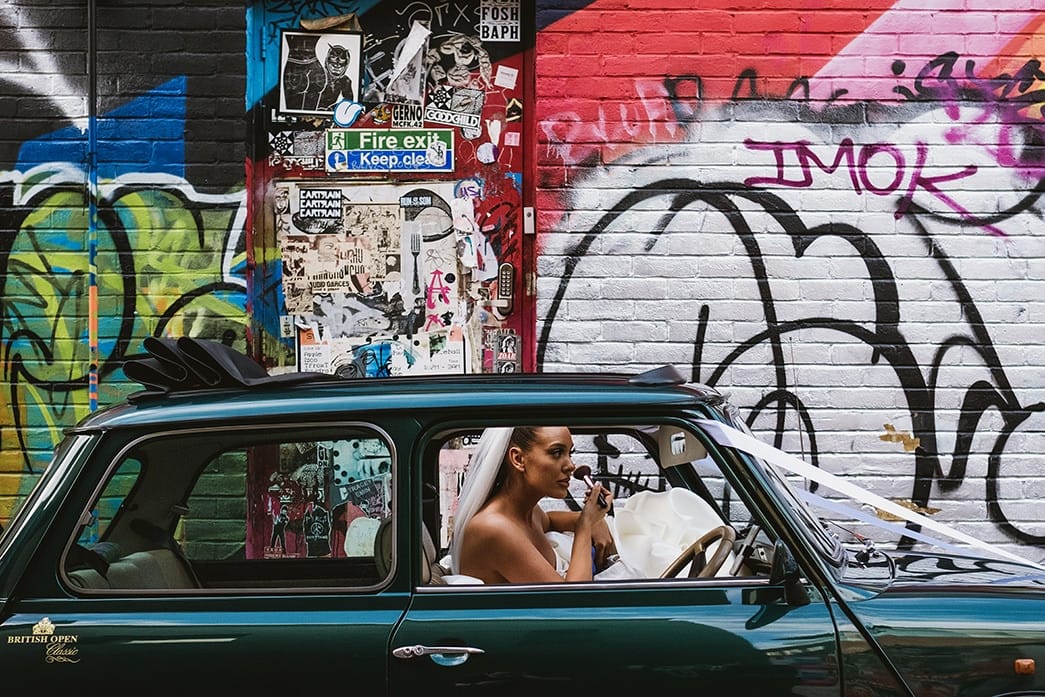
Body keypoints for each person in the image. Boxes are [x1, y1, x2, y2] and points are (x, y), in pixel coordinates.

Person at [451, 426, 615, 583]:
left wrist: (592, 520)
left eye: (569, 453)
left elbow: (549, 520)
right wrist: (585, 525)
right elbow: (572, 603)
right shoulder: (494, 528)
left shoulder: (526, 511)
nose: (571, 466)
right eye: (556, 453)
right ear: (518, 459)